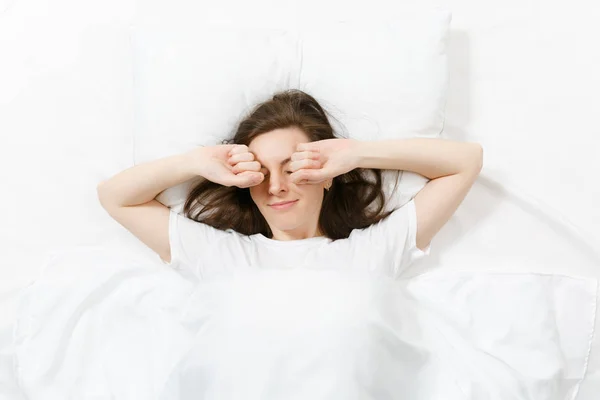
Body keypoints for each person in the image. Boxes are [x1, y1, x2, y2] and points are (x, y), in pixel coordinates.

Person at [97, 88, 483, 281]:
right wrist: (195, 161)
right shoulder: (218, 255)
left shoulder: (374, 251)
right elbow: (116, 197)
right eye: (261, 172)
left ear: (327, 177)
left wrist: (358, 154)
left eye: (291, 167)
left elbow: (465, 162)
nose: (276, 186)